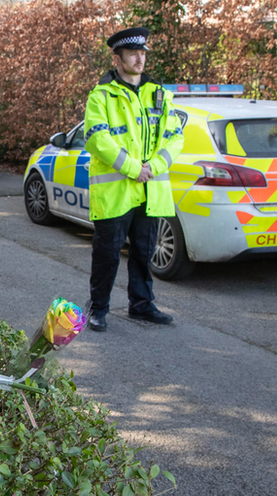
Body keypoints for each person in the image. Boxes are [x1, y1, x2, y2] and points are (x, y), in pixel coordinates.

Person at [83, 27, 185, 332]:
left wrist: (151, 166)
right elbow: (96, 139)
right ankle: (98, 309)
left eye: (142, 53)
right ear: (118, 58)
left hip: (150, 190)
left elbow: (175, 137)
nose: (139, 58)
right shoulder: (101, 96)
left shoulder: (159, 95)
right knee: (107, 256)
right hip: (116, 193)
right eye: (132, 53)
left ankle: (142, 305)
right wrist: (133, 168)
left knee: (144, 253)